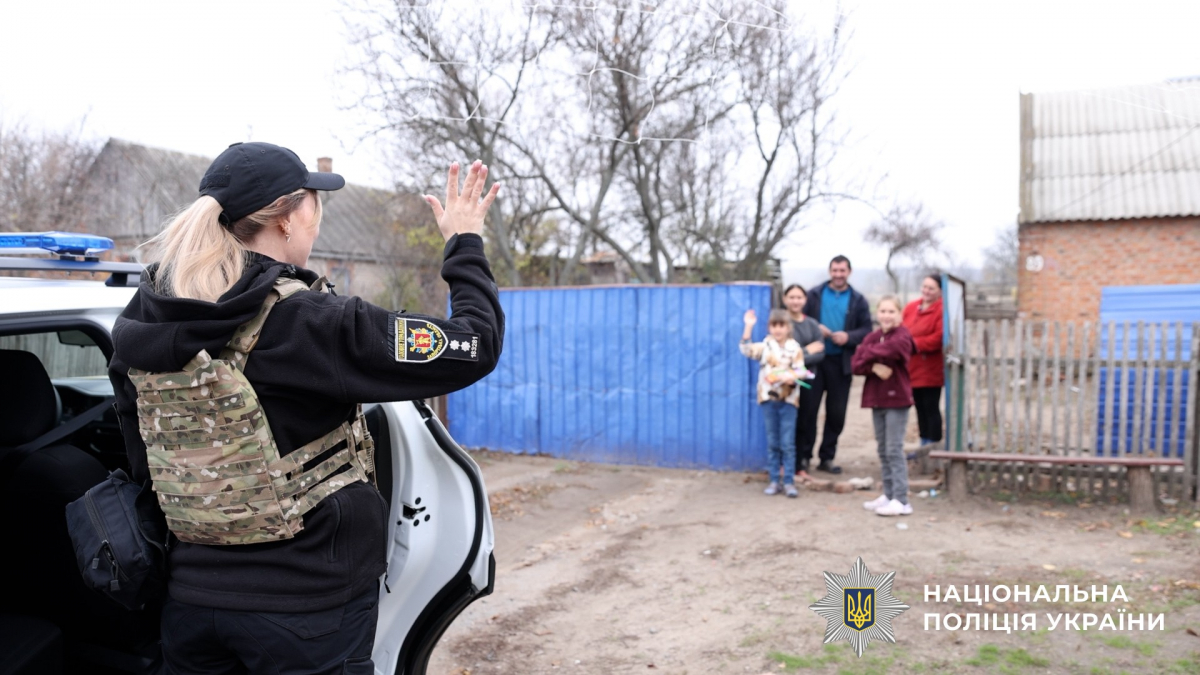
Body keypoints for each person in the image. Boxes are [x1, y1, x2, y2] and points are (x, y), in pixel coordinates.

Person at [107, 142, 504, 674]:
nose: (317, 218)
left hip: (192, 606)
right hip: (307, 615)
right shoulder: (313, 322)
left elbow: (146, 459)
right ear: (289, 218)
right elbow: (474, 343)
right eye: (315, 205)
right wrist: (463, 241)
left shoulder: (143, 320)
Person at [797, 256, 872, 474]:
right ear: (829, 271)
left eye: (842, 270)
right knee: (808, 411)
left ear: (849, 271)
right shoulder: (814, 295)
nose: (838, 274)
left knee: (836, 414)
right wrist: (815, 327)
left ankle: (827, 458)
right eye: (835, 270)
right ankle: (804, 457)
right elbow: (800, 318)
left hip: (842, 364)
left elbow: (866, 329)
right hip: (813, 364)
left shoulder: (858, 300)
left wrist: (848, 336)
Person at [851, 296, 915, 517]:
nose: (886, 316)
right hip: (877, 399)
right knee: (882, 449)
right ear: (877, 314)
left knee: (894, 449)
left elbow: (892, 350)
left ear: (899, 314)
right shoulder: (873, 336)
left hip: (897, 399)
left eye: (891, 311)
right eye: (883, 311)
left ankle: (902, 499)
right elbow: (856, 364)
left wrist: (865, 352)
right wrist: (873, 367)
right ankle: (888, 495)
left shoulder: (903, 336)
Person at [740, 308, 810, 498]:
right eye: (774, 325)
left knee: (787, 443)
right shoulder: (765, 347)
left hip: (788, 400)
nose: (778, 329)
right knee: (773, 442)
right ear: (769, 327)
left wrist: (792, 378)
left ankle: (788, 481)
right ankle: (773, 480)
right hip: (768, 399)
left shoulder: (795, 348)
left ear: (788, 328)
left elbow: (801, 371)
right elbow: (746, 349)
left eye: (782, 325)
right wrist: (748, 326)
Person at [782, 284, 825, 476]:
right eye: (791, 297)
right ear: (785, 299)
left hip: (808, 382)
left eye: (799, 297)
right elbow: (780, 354)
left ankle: (802, 462)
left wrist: (796, 358)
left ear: (805, 300)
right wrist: (806, 351)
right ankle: (785, 463)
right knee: (787, 422)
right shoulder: (780, 324)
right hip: (785, 382)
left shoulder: (812, 325)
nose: (795, 301)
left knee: (807, 420)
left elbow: (821, 353)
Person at [903, 274, 945, 447]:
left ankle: (933, 445)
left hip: (930, 369)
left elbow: (938, 338)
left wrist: (913, 343)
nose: (926, 291)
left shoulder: (942, 310)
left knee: (931, 407)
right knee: (919, 408)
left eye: (931, 288)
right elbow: (900, 327)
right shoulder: (912, 307)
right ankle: (923, 443)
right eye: (925, 286)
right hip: (911, 367)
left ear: (940, 291)